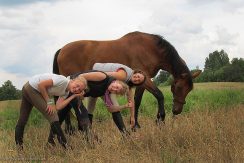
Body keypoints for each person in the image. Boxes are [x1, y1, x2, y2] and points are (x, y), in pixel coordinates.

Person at [48, 71, 131, 146]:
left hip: (76, 91)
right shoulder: (102, 77)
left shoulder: (107, 92)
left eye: (116, 91)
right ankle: (90, 139)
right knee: (81, 111)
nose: (114, 89)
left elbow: (110, 109)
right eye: (116, 87)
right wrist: (81, 90)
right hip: (73, 84)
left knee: (62, 114)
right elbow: (81, 76)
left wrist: (125, 106)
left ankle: (51, 141)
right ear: (116, 81)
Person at [15, 73, 87, 149]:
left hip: (28, 87)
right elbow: (41, 85)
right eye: (77, 85)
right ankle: (66, 146)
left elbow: (58, 107)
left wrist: (73, 96)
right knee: (53, 116)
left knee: (22, 119)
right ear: (73, 81)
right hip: (32, 88)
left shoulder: (66, 92)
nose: (77, 89)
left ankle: (19, 149)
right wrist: (49, 102)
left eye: (79, 90)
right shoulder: (63, 81)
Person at [88, 63, 146, 127]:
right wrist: (89, 77)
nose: (136, 79)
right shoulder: (123, 75)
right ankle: (125, 133)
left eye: (139, 81)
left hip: (98, 78)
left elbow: (131, 99)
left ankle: (86, 131)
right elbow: (103, 74)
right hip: (94, 75)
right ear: (136, 72)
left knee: (91, 106)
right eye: (138, 76)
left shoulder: (129, 79)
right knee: (114, 106)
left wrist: (132, 117)